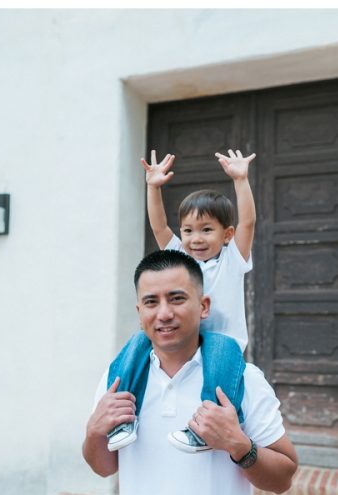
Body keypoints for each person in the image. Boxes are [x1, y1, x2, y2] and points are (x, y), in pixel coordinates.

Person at [83, 250, 297, 495]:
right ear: (140, 312)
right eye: (151, 302)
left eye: (177, 298)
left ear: (204, 306)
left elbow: (284, 476)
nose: (164, 313)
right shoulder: (117, 380)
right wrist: (94, 433)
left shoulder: (242, 380)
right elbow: (104, 466)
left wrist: (238, 445)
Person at [106, 148, 256, 452]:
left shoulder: (232, 259)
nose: (195, 239)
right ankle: (121, 418)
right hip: (181, 337)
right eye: (188, 230)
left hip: (220, 340)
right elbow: (159, 226)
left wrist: (240, 179)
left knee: (220, 357)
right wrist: (153, 186)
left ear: (226, 234)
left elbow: (248, 223)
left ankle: (204, 429)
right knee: (136, 343)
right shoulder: (179, 257)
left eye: (206, 230)